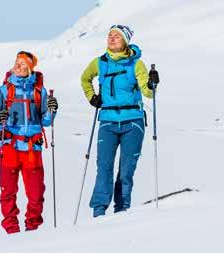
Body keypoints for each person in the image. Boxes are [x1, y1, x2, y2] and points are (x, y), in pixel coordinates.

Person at [80, 25, 160, 217]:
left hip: (133, 122)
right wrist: (92, 97)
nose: (112, 38)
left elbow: (148, 92)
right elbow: (85, 79)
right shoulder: (100, 62)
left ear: (126, 41)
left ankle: (121, 210)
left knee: (126, 170)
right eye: (110, 35)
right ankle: (99, 211)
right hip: (107, 121)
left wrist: (152, 83)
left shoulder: (136, 64)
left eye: (117, 36)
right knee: (104, 166)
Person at [0, 51, 58, 234]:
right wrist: (0, 121)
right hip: (9, 147)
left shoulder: (39, 91)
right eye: (17, 62)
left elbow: (46, 121)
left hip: (32, 148)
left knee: (36, 195)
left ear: (30, 69)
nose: (18, 66)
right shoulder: (4, 90)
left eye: (23, 64)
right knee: (8, 192)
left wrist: (51, 111)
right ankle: (12, 231)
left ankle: (32, 229)